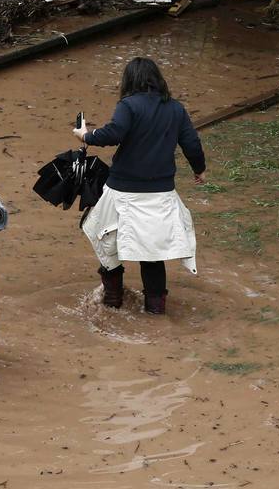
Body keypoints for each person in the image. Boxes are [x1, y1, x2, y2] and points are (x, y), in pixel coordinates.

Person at [74, 57, 206, 315]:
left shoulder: (128, 105)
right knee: (153, 253)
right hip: (161, 192)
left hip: (122, 189)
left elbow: (113, 134)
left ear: (128, 81)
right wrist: (199, 169)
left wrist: (85, 135)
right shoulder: (176, 109)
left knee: (106, 240)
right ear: (157, 79)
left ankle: (113, 301)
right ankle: (156, 311)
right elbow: (191, 143)